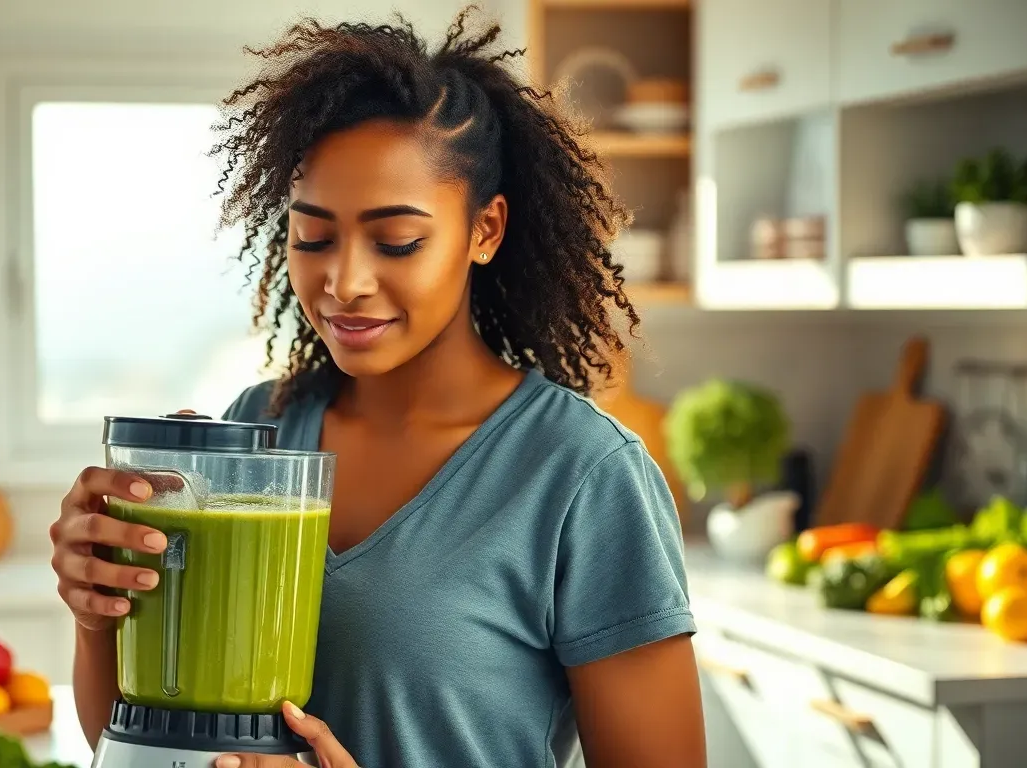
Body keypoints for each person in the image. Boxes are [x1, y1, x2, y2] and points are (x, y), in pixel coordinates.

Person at [50, 7, 705, 767]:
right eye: (314, 237)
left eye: (397, 241)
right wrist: (98, 615)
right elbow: (139, 746)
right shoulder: (256, 430)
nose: (344, 282)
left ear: (485, 230)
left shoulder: (582, 475)